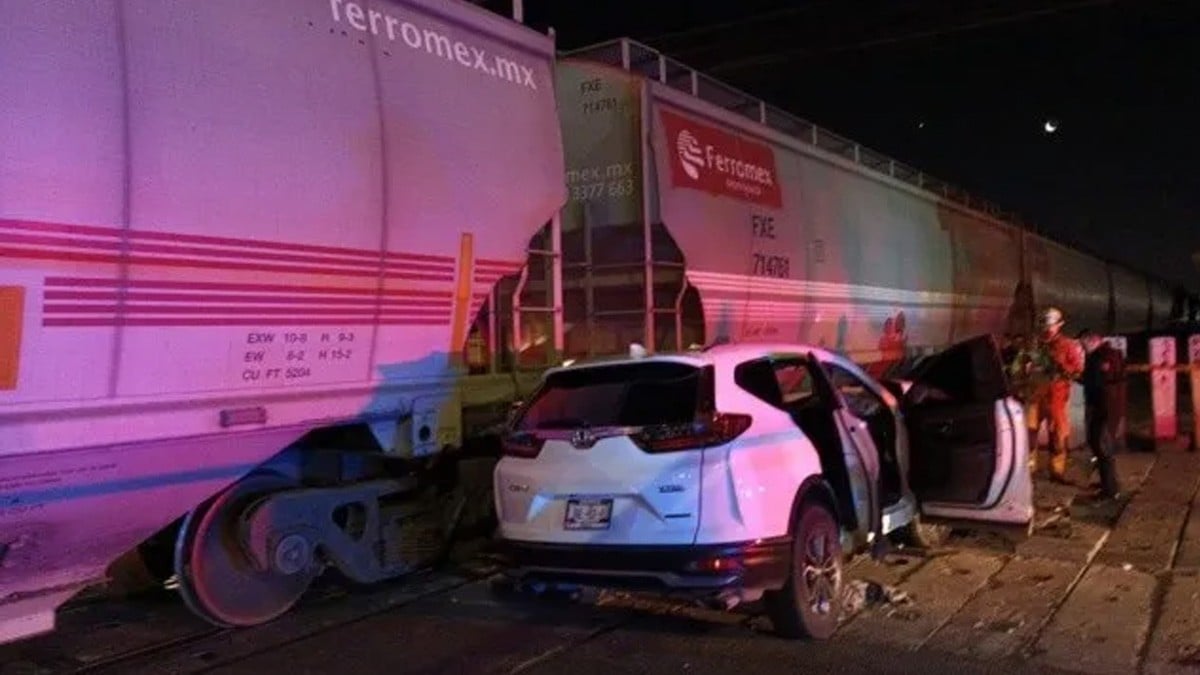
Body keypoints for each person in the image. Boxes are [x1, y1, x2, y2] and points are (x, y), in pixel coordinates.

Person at [1011, 308, 1085, 483]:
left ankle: (1057, 471)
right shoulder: (1032, 346)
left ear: (1059, 325)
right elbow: (1017, 367)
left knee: (1058, 436)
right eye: (1044, 325)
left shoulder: (1068, 345)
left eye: (1051, 325)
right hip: (1034, 397)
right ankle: (1028, 470)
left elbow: (1078, 370)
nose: (1047, 329)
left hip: (1056, 398)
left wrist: (1062, 367)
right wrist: (1020, 382)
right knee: (1029, 434)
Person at [1078, 329, 1122, 500]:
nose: (1083, 348)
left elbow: (1099, 380)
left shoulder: (1103, 356)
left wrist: (1081, 378)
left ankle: (1110, 489)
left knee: (1101, 445)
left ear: (1092, 341)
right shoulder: (1100, 355)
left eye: (1083, 344)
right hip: (1101, 403)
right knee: (1097, 442)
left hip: (1103, 405)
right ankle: (1107, 482)